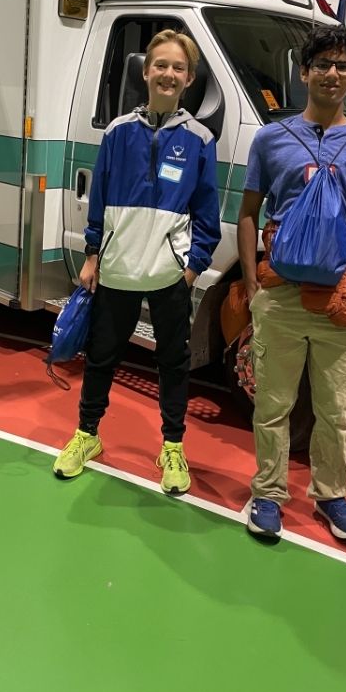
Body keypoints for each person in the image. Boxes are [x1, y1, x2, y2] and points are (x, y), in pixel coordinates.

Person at [52, 29, 220, 495]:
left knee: (174, 362)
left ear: (189, 79)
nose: (168, 74)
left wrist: (191, 266)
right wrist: (91, 255)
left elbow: (208, 213)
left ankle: (173, 447)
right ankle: (87, 435)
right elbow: (99, 200)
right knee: (102, 357)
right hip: (117, 269)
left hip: (169, 275)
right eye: (160, 65)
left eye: (178, 68)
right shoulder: (117, 132)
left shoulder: (201, 140)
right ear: (145, 72)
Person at [239, 24, 346, 543]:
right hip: (281, 294)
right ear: (304, 72)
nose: (332, 74)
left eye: (342, 66)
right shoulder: (271, 138)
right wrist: (252, 287)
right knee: (272, 405)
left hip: (342, 295)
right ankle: (268, 493)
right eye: (323, 64)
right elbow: (248, 213)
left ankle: (332, 493)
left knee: (338, 409)